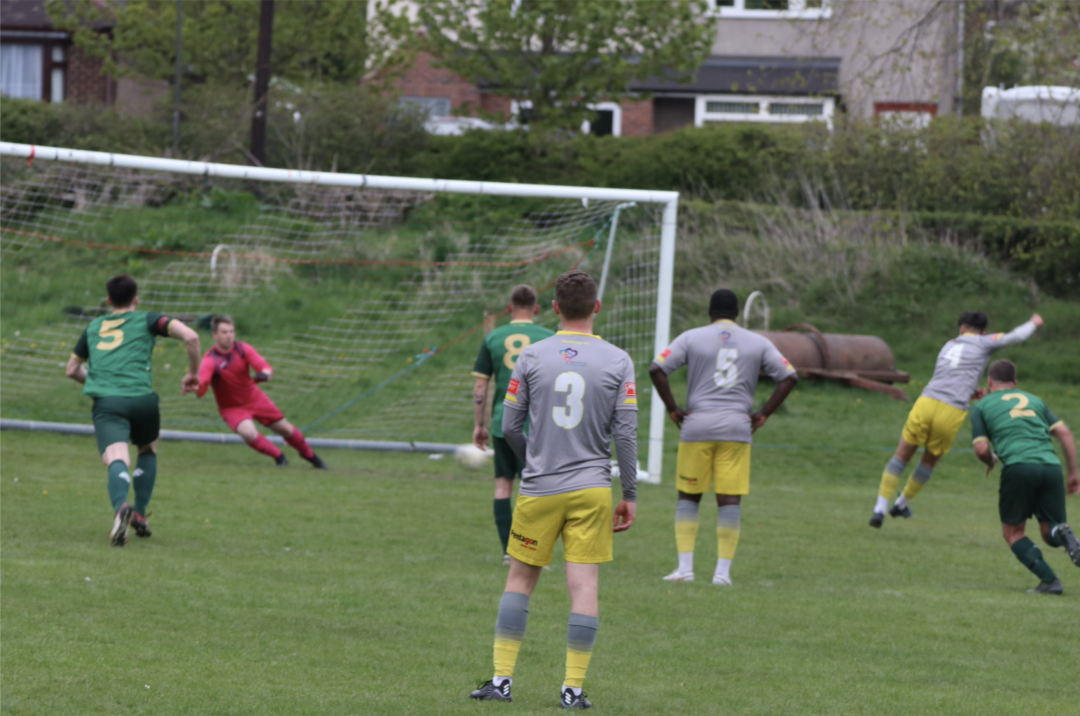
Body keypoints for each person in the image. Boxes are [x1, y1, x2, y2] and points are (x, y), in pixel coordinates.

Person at [469, 270, 637, 709]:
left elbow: (507, 425)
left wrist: (533, 462)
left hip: (540, 487)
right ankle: (572, 690)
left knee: (520, 578)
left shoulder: (532, 356)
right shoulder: (618, 360)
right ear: (596, 308)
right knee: (583, 586)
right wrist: (631, 493)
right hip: (592, 488)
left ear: (556, 309)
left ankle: (501, 682)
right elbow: (626, 436)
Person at [649, 288, 798, 586]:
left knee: (689, 497)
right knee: (729, 501)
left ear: (709, 312)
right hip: (736, 428)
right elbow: (789, 376)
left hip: (697, 426)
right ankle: (722, 574)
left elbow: (657, 368)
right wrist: (764, 412)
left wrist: (673, 409)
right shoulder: (758, 342)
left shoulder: (691, 337)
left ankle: (685, 569)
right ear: (738, 313)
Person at [869, 311, 1043, 528]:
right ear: (984, 332)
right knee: (928, 461)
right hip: (950, 410)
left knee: (901, 456)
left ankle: (879, 508)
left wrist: (969, 391)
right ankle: (901, 504)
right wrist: (1033, 323)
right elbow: (1015, 336)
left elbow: (947, 376)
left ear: (961, 329)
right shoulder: (983, 342)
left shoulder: (949, 345)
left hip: (926, 401)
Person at [65, 274, 202, 546]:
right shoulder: (149, 320)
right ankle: (139, 513)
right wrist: (192, 374)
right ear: (136, 299)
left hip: (109, 402)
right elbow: (192, 336)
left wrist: (98, 381)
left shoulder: (93, 326)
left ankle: (120, 509)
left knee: (117, 456)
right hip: (143, 400)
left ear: (108, 301)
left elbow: (71, 370)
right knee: (147, 449)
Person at [971, 360, 1080, 594]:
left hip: (1019, 467)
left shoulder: (981, 406)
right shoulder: (1035, 401)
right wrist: (1073, 473)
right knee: (1050, 532)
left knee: (1013, 532)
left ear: (990, 382)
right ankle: (1063, 533)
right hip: (1051, 466)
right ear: (1015, 383)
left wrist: (990, 460)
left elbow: (981, 450)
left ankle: (1050, 581)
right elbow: (1064, 433)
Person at [472, 285, 555, 563]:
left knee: (502, 487)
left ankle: (510, 552)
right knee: (536, 491)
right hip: (538, 427)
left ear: (509, 308)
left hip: (502, 423)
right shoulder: (549, 338)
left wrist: (478, 425)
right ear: (537, 308)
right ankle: (531, 551)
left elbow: (481, 386)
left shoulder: (494, 337)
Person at [191, 316, 326, 469]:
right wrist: (198, 388)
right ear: (214, 335)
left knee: (286, 429)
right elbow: (202, 385)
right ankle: (280, 457)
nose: (229, 335)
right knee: (248, 432)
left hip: (255, 399)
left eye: (231, 331)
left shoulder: (243, 348)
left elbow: (265, 368)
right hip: (232, 407)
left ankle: (310, 456)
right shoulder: (210, 360)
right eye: (224, 332)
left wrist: (265, 374)